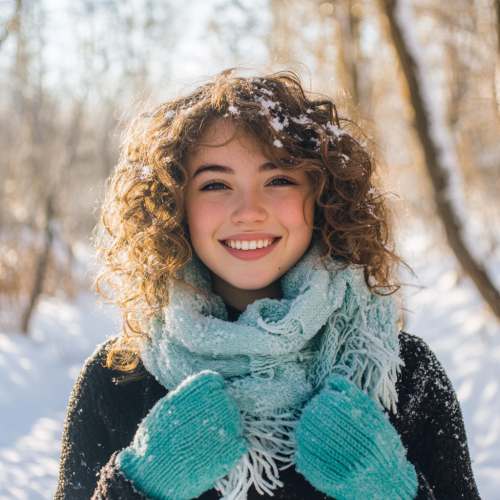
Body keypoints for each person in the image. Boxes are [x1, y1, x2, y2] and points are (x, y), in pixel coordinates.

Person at [55, 70, 481, 500]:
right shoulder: (117, 379)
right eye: (216, 184)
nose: (249, 211)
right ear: (176, 206)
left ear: (322, 195)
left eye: (278, 179)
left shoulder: (403, 374)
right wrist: (140, 486)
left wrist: (393, 491)